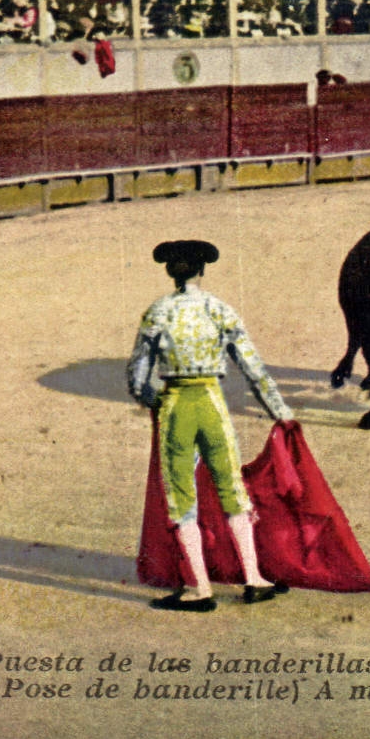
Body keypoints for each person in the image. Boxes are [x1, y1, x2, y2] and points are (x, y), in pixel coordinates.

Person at [126, 239, 292, 612]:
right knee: (232, 488)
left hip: (177, 406)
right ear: (202, 270)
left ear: (170, 271)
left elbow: (136, 380)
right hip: (213, 404)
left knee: (182, 497)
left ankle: (199, 588)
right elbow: (254, 370)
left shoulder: (158, 312)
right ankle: (254, 578)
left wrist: (157, 402)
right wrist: (281, 412)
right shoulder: (219, 309)